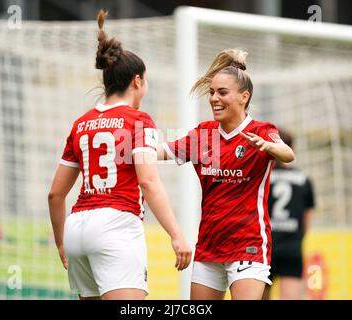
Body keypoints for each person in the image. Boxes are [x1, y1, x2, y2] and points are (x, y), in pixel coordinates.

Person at [48, 10, 191, 300]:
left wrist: (62, 243)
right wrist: (177, 234)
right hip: (116, 226)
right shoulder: (138, 119)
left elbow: (55, 195)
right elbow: (148, 182)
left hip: (76, 229)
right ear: (137, 81)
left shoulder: (81, 124)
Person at [157, 48, 295, 300]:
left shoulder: (262, 131)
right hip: (209, 247)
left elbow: (287, 154)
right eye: (211, 92)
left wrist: (269, 147)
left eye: (222, 92)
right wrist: (127, 145)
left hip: (248, 246)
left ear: (244, 97)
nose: (213, 99)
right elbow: (159, 152)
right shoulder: (204, 135)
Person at [262, 129, 315, 300]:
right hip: (292, 248)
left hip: (265, 248)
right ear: (292, 148)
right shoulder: (304, 179)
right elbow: (306, 221)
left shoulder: (263, 176)